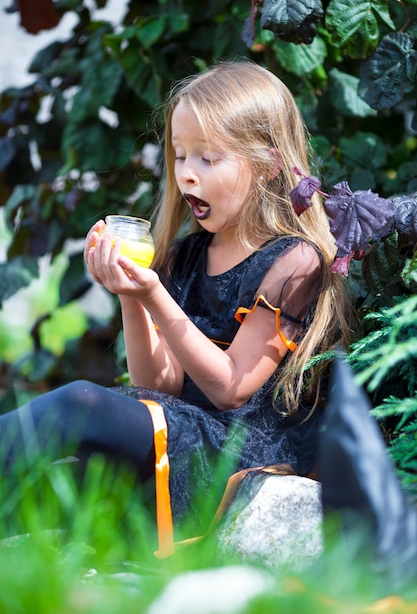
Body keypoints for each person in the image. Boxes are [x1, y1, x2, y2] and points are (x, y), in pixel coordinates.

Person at [0, 60, 352, 550]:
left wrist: (152, 295)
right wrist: (131, 296)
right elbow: (157, 385)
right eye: (180, 156)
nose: (187, 175)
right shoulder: (187, 254)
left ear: (270, 163)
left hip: (236, 449)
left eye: (208, 159)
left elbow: (231, 387)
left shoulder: (294, 260)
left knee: (79, 404)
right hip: (181, 433)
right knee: (50, 493)